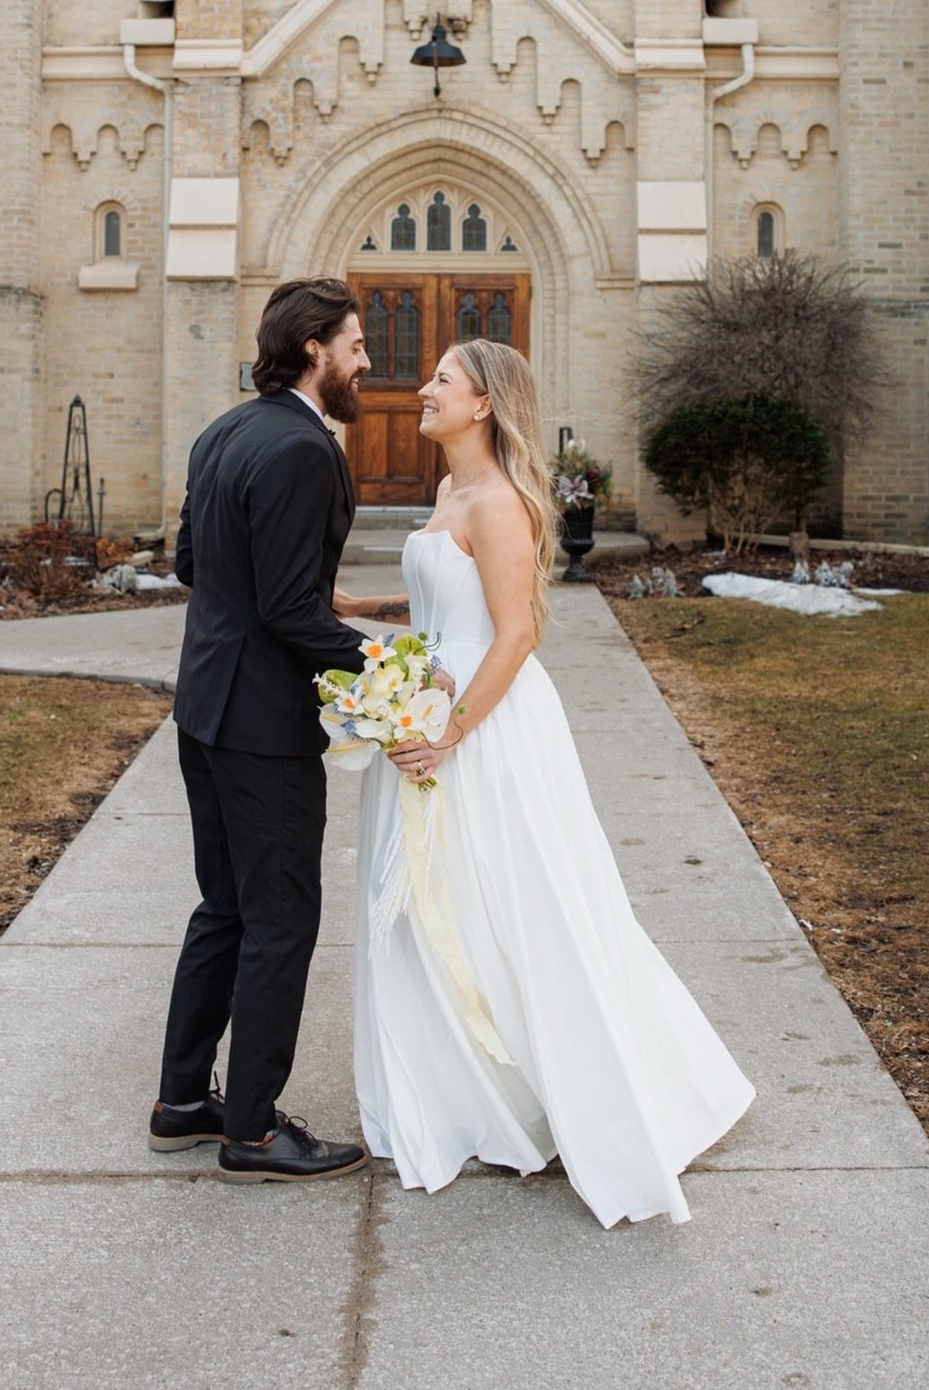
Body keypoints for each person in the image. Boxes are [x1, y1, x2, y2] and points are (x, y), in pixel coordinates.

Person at [334, 339, 755, 1227]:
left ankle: (573, 1087)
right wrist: (364, 614)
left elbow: (516, 633)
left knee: (510, 903)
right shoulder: (449, 491)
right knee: (425, 906)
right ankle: (460, 1095)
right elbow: (454, 607)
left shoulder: (498, 502)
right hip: (430, 707)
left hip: (483, 727)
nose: (422, 390)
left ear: (484, 403)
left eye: (441, 381)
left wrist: (448, 733)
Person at [150, 277, 375, 1183]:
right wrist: (391, 665)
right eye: (356, 345)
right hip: (261, 726)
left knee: (227, 907)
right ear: (315, 347)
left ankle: (182, 1101)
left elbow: (190, 565)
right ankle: (251, 1130)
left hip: (204, 706)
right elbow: (291, 611)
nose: (368, 362)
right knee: (280, 918)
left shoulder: (225, 430)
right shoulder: (299, 450)